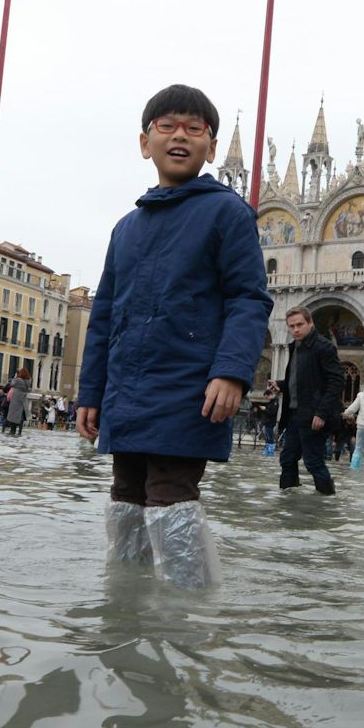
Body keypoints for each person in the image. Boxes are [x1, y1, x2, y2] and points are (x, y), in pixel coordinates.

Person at [75, 84, 271, 587]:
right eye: (167, 126)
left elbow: (248, 299)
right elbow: (104, 316)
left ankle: (188, 618)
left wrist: (231, 372)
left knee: (170, 493)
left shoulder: (228, 213)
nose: (179, 136)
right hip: (126, 388)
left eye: (194, 128)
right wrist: (90, 393)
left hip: (189, 386)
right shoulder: (125, 228)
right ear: (146, 142)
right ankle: (125, 604)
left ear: (210, 146)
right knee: (125, 493)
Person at [274, 306, 343, 496]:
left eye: (299, 325)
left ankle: (327, 501)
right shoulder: (294, 346)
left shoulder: (324, 346)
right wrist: (281, 385)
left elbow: (337, 381)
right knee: (287, 459)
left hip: (314, 415)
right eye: (291, 326)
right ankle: (287, 501)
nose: (295, 329)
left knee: (313, 462)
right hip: (294, 414)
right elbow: (301, 379)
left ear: (310, 323)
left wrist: (321, 412)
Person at [5, 367, 32, 436]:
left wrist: (15, 377)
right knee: (20, 417)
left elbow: (12, 384)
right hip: (23, 399)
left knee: (13, 415)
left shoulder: (18, 380)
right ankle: (19, 432)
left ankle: (12, 431)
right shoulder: (28, 381)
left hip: (16, 399)